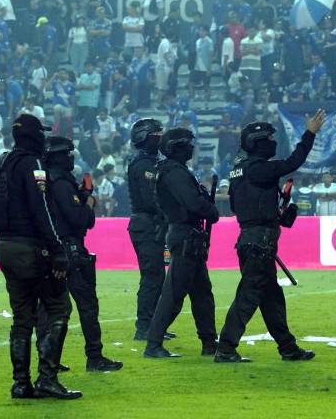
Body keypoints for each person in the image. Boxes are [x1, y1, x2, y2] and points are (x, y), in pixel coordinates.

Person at [215, 110, 326, 364]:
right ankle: (226, 348)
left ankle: (288, 348)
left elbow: (235, 206)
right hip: (260, 243)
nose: (272, 143)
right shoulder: (258, 169)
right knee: (248, 296)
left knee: (271, 299)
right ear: (257, 143)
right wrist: (309, 134)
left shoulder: (238, 171)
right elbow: (292, 162)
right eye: (268, 139)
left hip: (251, 240)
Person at [0, 113, 81, 400]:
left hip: (4, 244)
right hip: (30, 247)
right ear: (34, 136)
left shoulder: (2, 163)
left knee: (22, 317)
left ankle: (20, 383)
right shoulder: (33, 164)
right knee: (58, 308)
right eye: (41, 133)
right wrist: (57, 250)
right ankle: (47, 378)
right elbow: (41, 209)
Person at [43, 136, 123, 372]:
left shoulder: (45, 181)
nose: (71, 158)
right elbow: (79, 219)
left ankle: (49, 359)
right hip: (70, 248)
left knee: (53, 308)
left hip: (51, 248)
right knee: (86, 304)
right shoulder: (61, 183)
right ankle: (94, 356)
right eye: (68, 154)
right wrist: (87, 203)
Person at [143, 128, 219, 359]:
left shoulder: (172, 171)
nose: (191, 148)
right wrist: (210, 210)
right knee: (173, 294)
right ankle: (153, 344)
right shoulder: (174, 172)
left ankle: (209, 342)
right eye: (187, 144)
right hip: (185, 236)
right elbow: (192, 202)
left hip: (187, 236)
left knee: (202, 294)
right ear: (176, 147)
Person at [126, 118, 173, 341]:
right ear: (145, 137)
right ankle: (144, 327)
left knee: (157, 276)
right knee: (152, 276)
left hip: (150, 224)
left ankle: (153, 324)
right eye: (157, 134)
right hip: (148, 225)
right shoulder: (144, 164)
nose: (160, 137)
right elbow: (149, 199)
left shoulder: (150, 162)